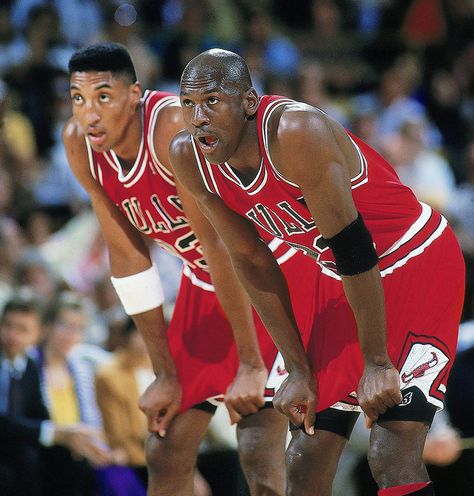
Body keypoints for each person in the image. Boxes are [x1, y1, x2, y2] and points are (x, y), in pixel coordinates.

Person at [169, 49, 466, 496]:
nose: (198, 117)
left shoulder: (296, 132)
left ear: (249, 102)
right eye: (188, 105)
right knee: (305, 460)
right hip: (344, 279)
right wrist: (297, 368)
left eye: (212, 100)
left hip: (415, 260)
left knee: (391, 452)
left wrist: (377, 363)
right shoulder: (190, 157)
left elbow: (353, 246)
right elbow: (251, 260)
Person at [62, 42, 316, 495]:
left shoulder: (172, 131)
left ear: (135, 94)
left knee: (257, 436)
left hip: (265, 268)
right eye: (78, 98)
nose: (90, 113)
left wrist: (250, 362)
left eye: (104, 96)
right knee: (165, 447)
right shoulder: (78, 145)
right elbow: (127, 257)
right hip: (206, 278)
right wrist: (164, 372)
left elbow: (222, 245)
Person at [0, 294, 112, 496]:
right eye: (8, 326)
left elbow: (39, 414)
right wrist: (58, 434)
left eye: (22, 330)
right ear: (49, 328)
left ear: (37, 333)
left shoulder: (30, 366)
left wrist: (78, 439)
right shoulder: (32, 362)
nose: (13, 336)